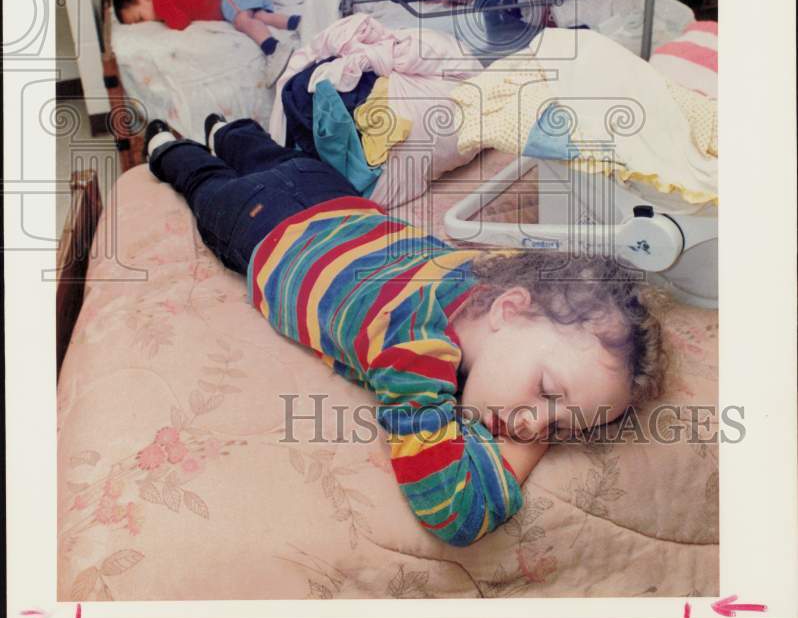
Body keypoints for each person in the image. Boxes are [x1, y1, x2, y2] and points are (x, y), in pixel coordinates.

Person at [143, 112, 667, 547]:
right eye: (547, 393)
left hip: (330, 201)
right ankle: (174, 146)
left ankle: (215, 132)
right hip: (263, 225)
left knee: (253, 163)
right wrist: (533, 446)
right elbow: (457, 514)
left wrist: (558, 407)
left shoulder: (489, 274)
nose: (533, 428)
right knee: (204, 182)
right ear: (509, 309)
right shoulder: (414, 346)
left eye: (560, 429)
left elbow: (561, 279)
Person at [113, 0, 301, 62]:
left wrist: (164, 19)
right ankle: (294, 23)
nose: (144, 24)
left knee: (242, 21)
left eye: (139, 18)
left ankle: (272, 48)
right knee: (259, 17)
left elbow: (180, 23)